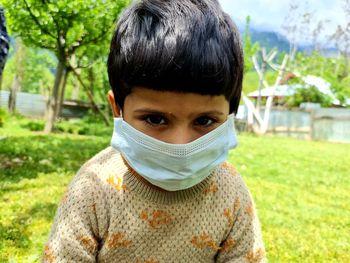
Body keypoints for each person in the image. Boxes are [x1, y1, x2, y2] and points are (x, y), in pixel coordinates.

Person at [43, 0, 266, 262]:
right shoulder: (92, 190)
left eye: (205, 121)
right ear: (118, 108)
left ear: (230, 115)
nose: (180, 145)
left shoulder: (231, 194)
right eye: (155, 119)